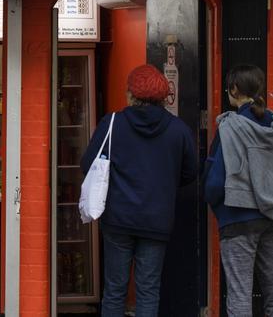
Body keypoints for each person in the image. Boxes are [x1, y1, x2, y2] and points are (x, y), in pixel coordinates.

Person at [81, 64, 197, 317]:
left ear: (132, 95)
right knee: (148, 290)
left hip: (117, 218)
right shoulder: (179, 130)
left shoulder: (112, 123)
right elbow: (191, 172)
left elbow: (87, 163)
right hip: (157, 219)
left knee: (114, 290)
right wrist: (164, 184)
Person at [203, 64, 273, 317]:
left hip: (237, 218)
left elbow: (214, 184)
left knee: (240, 293)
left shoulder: (230, 127)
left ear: (234, 90)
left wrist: (216, 206)